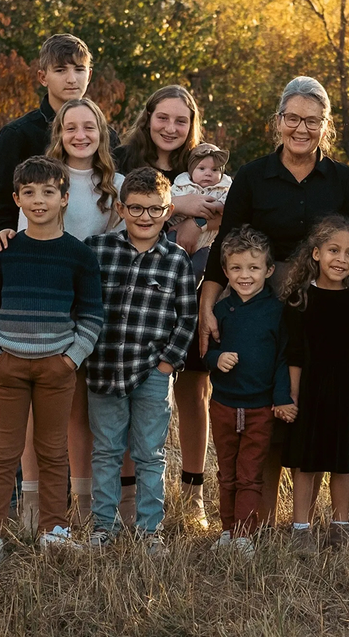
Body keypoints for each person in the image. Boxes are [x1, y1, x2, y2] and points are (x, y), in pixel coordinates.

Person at [199, 76, 349, 530]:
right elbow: (227, 248)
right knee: (270, 410)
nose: (301, 128)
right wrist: (208, 303)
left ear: (325, 125)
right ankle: (266, 518)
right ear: (278, 121)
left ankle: (308, 518)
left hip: (326, 315)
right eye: (293, 118)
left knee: (313, 409)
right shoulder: (255, 177)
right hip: (265, 310)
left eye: (311, 120)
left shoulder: (343, 180)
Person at [0, 97, 125, 530]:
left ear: (102, 133)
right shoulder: (43, 177)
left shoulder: (115, 184)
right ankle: (30, 502)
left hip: (91, 305)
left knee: (79, 411)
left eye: (90, 127)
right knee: (31, 417)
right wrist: (5, 232)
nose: (80, 135)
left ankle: (80, 505)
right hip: (40, 307)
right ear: (59, 133)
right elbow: (26, 232)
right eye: (70, 128)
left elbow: (121, 246)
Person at [0, 156, 103, 567]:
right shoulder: (4, 251)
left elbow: (92, 315)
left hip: (56, 369)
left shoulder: (78, 256)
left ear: (64, 198)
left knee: (52, 450)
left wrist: (70, 359)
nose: (38, 200)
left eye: (48, 193)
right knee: (3, 452)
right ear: (17, 199)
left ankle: (53, 530)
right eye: (29, 193)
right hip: (8, 367)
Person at [114, 85, 219, 531]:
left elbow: (224, 209)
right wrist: (180, 206)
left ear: (192, 126)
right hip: (133, 293)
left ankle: (193, 495)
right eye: (163, 118)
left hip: (192, 289)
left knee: (194, 390)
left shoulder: (203, 166)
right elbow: (112, 208)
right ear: (148, 117)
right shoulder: (122, 160)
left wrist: (197, 216)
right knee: (128, 389)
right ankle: (127, 495)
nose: (171, 128)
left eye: (181, 121)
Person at [83, 168, 198, 556]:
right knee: (107, 451)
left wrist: (167, 364)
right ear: (121, 208)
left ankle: (150, 530)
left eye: (155, 209)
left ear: (168, 212)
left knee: (150, 454)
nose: (145, 217)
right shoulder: (98, 250)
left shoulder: (176, 259)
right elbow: (84, 306)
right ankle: (104, 526)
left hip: (152, 370)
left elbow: (187, 317)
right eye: (136, 208)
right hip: (104, 367)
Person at [279, 215, 349, 556]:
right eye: (334, 250)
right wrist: (293, 392)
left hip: (346, 390)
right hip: (309, 389)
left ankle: (340, 527)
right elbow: (294, 352)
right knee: (306, 461)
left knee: (340, 461)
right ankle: (301, 529)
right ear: (316, 253)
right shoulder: (300, 299)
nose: (341, 259)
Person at [205, 225, 293, 560]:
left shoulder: (276, 310)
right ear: (225, 271)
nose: (245, 276)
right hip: (224, 403)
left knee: (250, 473)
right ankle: (226, 530)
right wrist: (217, 358)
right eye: (237, 268)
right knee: (226, 472)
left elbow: (283, 357)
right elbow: (205, 352)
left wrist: (282, 398)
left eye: (254, 268)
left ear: (269, 270)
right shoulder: (222, 311)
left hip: (259, 407)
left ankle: (245, 534)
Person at [0, 33, 119, 238]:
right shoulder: (18, 136)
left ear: (88, 75)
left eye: (78, 70)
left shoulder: (106, 137)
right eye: (60, 70)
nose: (71, 79)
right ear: (43, 77)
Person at [167, 142, 233, 281]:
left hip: (205, 242)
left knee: (198, 269)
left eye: (215, 170)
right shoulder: (182, 185)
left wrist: (216, 206)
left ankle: (189, 292)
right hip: (176, 234)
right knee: (168, 261)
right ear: (191, 171)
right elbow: (167, 203)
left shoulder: (223, 188)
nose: (208, 173)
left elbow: (230, 209)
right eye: (202, 168)